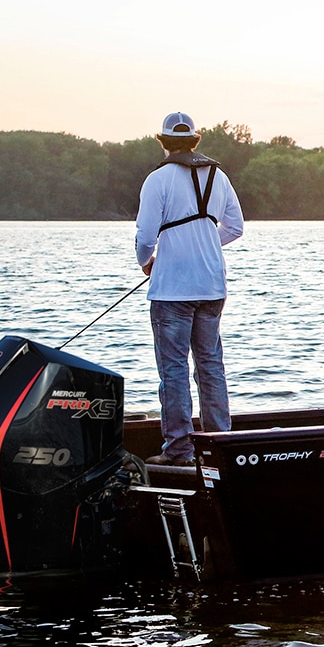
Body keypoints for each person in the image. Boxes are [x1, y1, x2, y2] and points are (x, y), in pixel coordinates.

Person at [135, 111, 245, 466]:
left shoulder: (157, 179)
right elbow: (235, 227)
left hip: (171, 291)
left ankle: (179, 451)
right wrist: (205, 243)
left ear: (163, 142)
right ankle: (220, 445)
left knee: (174, 370)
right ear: (195, 141)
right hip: (212, 285)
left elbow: (145, 237)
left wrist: (148, 262)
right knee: (211, 366)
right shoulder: (220, 176)